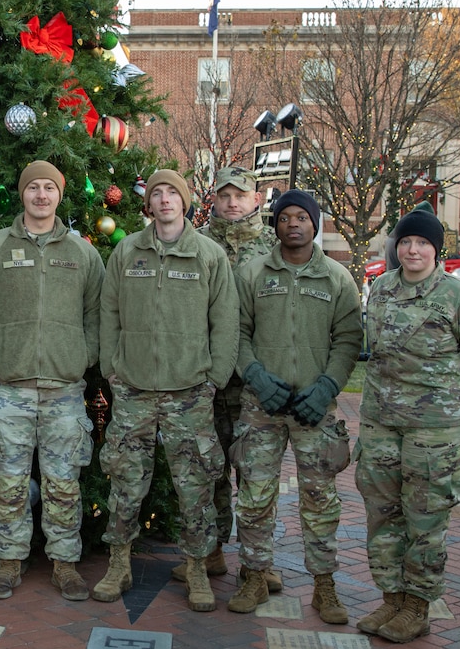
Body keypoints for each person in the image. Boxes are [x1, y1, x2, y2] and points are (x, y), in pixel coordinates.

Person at [0, 160, 104, 602]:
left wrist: (82, 356)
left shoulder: (83, 253)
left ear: (60, 196)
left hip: (64, 389)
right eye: (33, 188)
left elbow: (99, 315)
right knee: (7, 482)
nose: (41, 195)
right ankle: (9, 561)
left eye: (49, 188)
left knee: (63, 482)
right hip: (7, 389)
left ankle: (65, 563)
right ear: (22, 194)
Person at [94, 169, 239, 612]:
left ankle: (197, 568)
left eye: (172, 193)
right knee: (125, 482)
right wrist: (112, 369)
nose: (164, 200)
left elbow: (226, 322)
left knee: (193, 487)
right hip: (134, 389)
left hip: (189, 392)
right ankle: (118, 564)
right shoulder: (126, 251)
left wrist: (214, 377)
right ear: (149, 204)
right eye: (157, 193)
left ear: (185, 202)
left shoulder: (209, 256)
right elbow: (109, 312)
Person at [355, 208, 460, 643]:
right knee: (382, 514)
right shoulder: (381, 288)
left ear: (437, 249)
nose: (413, 249)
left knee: (425, 520)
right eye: (406, 241)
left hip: (436, 432)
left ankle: (418, 606)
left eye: (423, 243)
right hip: (381, 422)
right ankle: (392, 599)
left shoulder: (458, 295)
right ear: (397, 246)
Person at [229, 189, 361, 623]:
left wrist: (325, 388)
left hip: (313, 408)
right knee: (253, 496)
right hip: (260, 407)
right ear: (276, 225)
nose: (293, 224)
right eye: (285, 217)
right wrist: (256, 377)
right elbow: (237, 333)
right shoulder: (252, 273)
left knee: (321, 500)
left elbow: (348, 340)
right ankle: (254, 574)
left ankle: (324, 586)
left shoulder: (337, 279)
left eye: (302, 217)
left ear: (315, 223)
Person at [181, 166, 281, 591]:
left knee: (256, 473)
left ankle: (258, 561)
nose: (232, 202)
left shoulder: (274, 247)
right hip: (209, 374)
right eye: (224, 195)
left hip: (255, 379)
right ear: (214, 198)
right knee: (211, 467)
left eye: (240, 194)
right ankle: (212, 550)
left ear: (256, 198)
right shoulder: (197, 241)